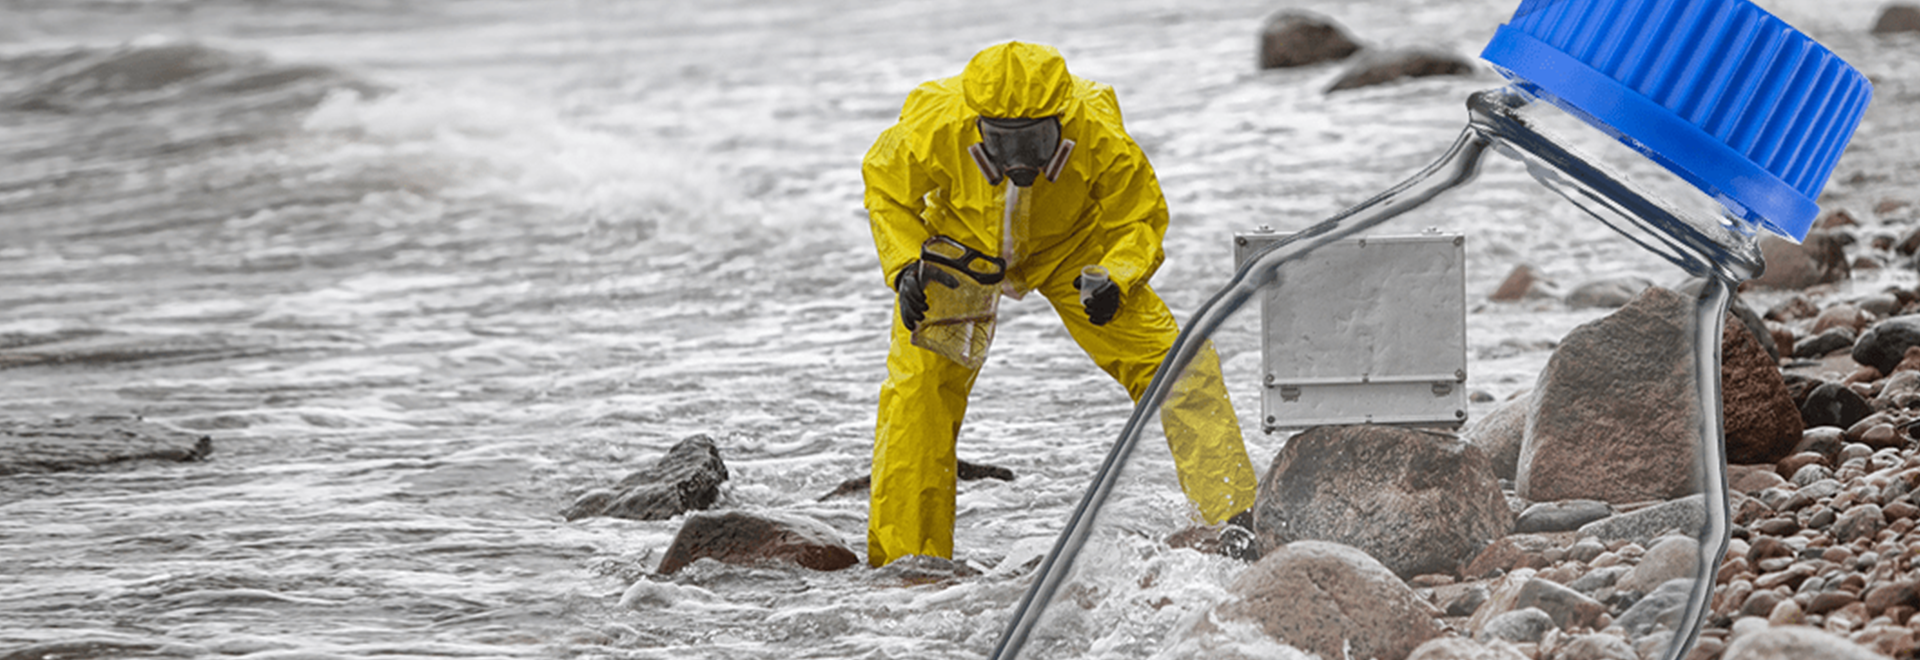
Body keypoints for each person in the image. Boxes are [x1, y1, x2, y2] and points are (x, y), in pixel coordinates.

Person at [860, 41, 1257, 568]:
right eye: (1003, 143)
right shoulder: (936, 122)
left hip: (1075, 249)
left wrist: (1116, 276)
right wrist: (908, 262)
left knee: (1178, 366)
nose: (1019, 159)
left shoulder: (1096, 127)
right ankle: (906, 561)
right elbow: (887, 189)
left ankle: (1232, 521)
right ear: (979, 127)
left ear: (1060, 122)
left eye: (1035, 142)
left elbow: (1137, 217)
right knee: (919, 394)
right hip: (961, 250)